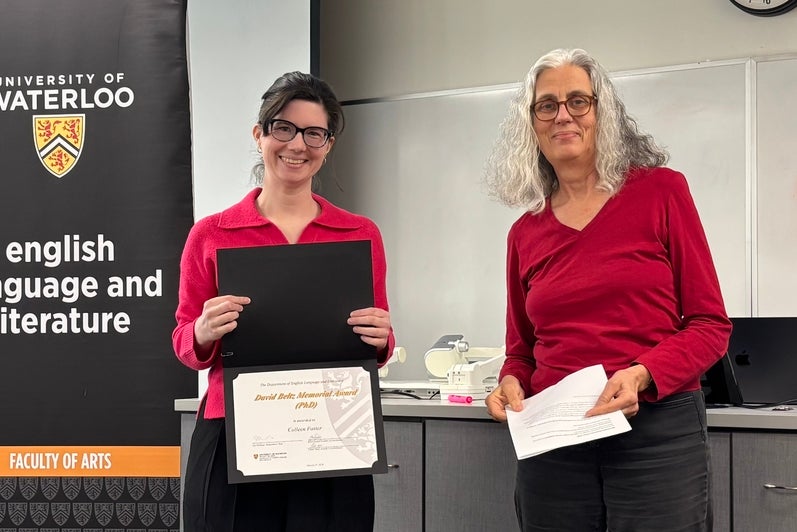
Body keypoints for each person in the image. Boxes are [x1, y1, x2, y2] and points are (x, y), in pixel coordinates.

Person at [484, 48, 732, 532]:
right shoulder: (525, 232)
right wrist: (510, 381)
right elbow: (521, 352)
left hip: (657, 433)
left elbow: (710, 325)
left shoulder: (661, 192)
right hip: (555, 442)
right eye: (546, 105)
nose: (563, 115)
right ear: (531, 124)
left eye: (578, 101)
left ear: (603, 113)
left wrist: (642, 374)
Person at [172, 71, 394, 531]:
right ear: (259, 134)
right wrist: (202, 331)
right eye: (283, 128)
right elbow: (185, 342)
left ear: (328, 144)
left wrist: (382, 338)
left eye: (314, 133)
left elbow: (378, 338)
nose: (297, 145)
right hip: (235, 432)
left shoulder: (360, 233)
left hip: (331, 434)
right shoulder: (211, 234)